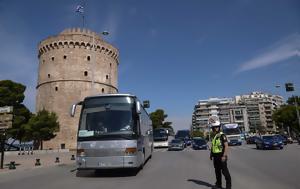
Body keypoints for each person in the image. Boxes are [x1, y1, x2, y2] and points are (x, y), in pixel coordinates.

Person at [210, 121, 232, 189]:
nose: (215, 129)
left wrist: (224, 156)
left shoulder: (222, 135)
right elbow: (213, 146)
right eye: (214, 127)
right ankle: (218, 185)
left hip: (221, 156)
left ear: (219, 127)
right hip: (215, 157)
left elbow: (226, 146)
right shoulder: (215, 136)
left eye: (216, 127)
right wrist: (211, 154)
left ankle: (228, 187)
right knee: (217, 172)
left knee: (225, 172)